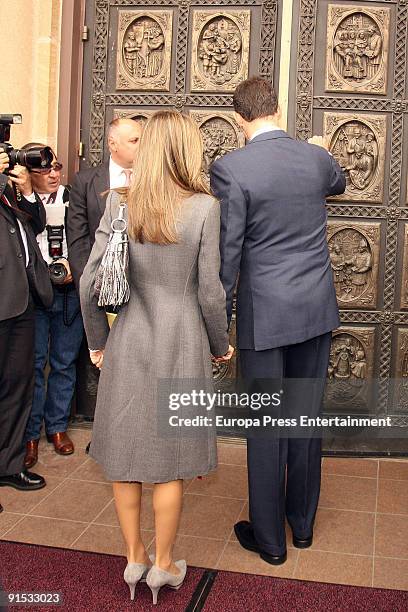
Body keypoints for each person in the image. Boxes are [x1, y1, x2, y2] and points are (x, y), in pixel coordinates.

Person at [80, 110, 233, 604]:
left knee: (126, 458)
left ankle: (134, 557)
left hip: (128, 339)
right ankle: (164, 564)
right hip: (182, 342)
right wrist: (219, 344)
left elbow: (88, 284)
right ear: (186, 149)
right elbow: (210, 293)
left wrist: (96, 343)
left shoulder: (119, 204)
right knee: (169, 462)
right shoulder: (204, 208)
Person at [210, 77, 346, 565]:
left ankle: (270, 541)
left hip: (265, 315)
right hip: (314, 309)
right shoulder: (315, 159)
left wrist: (216, 325)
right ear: (278, 107)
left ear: (239, 119)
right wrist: (322, 148)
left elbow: (228, 256)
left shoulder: (231, 168)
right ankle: (303, 526)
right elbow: (338, 182)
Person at [67, 117, 143, 426]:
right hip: (103, 294)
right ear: (113, 144)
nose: (143, 145)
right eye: (135, 140)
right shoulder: (85, 181)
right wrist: (97, 289)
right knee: (105, 366)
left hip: (141, 295)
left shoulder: (151, 181)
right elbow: (79, 240)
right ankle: (105, 432)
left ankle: (134, 431)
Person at [21, 144, 84, 468]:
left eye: (57, 167)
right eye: (45, 170)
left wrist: (76, 264)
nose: (54, 174)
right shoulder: (19, 203)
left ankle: (57, 428)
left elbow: (86, 238)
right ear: (30, 175)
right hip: (35, 290)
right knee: (34, 364)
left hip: (69, 290)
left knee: (63, 362)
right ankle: (31, 434)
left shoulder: (74, 198)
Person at [0, 148, 53, 501]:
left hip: (21, 300)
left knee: (19, 387)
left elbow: (36, 223)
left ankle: (10, 464)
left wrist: (28, 192)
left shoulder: (9, 186)